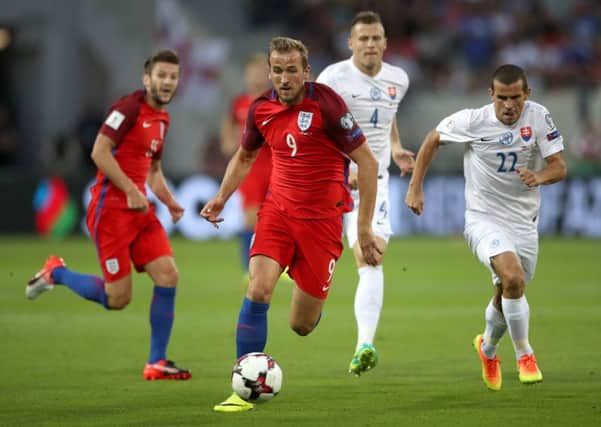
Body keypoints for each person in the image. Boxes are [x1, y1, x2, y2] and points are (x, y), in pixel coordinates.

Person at [201, 36, 381, 412]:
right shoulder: (260, 109)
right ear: (269, 72)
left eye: (292, 71)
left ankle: (309, 292)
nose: (284, 79)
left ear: (306, 72)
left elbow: (368, 162)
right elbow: (244, 156)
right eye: (278, 71)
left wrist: (363, 229)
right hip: (277, 214)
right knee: (259, 288)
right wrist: (221, 197)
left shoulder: (327, 104)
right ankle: (243, 385)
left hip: (322, 224)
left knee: (301, 325)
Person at [26, 49, 191, 381]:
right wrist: (131, 189)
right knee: (118, 299)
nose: (167, 81)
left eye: (173, 76)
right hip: (112, 211)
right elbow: (99, 151)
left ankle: (156, 362)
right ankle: (56, 273)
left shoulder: (163, 119)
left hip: (140, 210)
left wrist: (170, 202)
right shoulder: (128, 108)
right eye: (161, 75)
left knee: (168, 275)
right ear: (147, 78)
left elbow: (154, 169)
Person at [405, 64, 567, 391]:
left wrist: (540, 177)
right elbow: (433, 138)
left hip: (524, 221)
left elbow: (559, 165)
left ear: (527, 95)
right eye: (502, 98)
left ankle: (488, 347)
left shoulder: (538, 116)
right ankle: (525, 355)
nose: (509, 105)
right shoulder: (473, 120)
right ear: (491, 95)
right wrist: (415, 186)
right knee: (513, 277)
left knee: (510, 289)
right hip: (483, 217)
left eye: (516, 98)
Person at [316, 10, 415, 376]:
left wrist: (396, 145)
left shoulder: (398, 79)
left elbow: (386, 115)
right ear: (351, 43)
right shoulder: (333, 79)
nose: (370, 44)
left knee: (370, 257)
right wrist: (347, 166)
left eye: (376, 38)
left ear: (386, 43)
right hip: (330, 180)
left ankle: (364, 344)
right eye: (363, 39)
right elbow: (319, 128)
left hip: (376, 183)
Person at [220, 53, 272, 283]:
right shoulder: (239, 103)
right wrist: (228, 142)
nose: (257, 76)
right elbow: (229, 122)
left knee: (277, 218)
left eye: (262, 71)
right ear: (246, 74)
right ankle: (247, 268)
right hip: (250, 169)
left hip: (275, 166)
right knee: (250, 220)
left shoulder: (276, 100)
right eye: (254, 71)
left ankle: (282, 266)